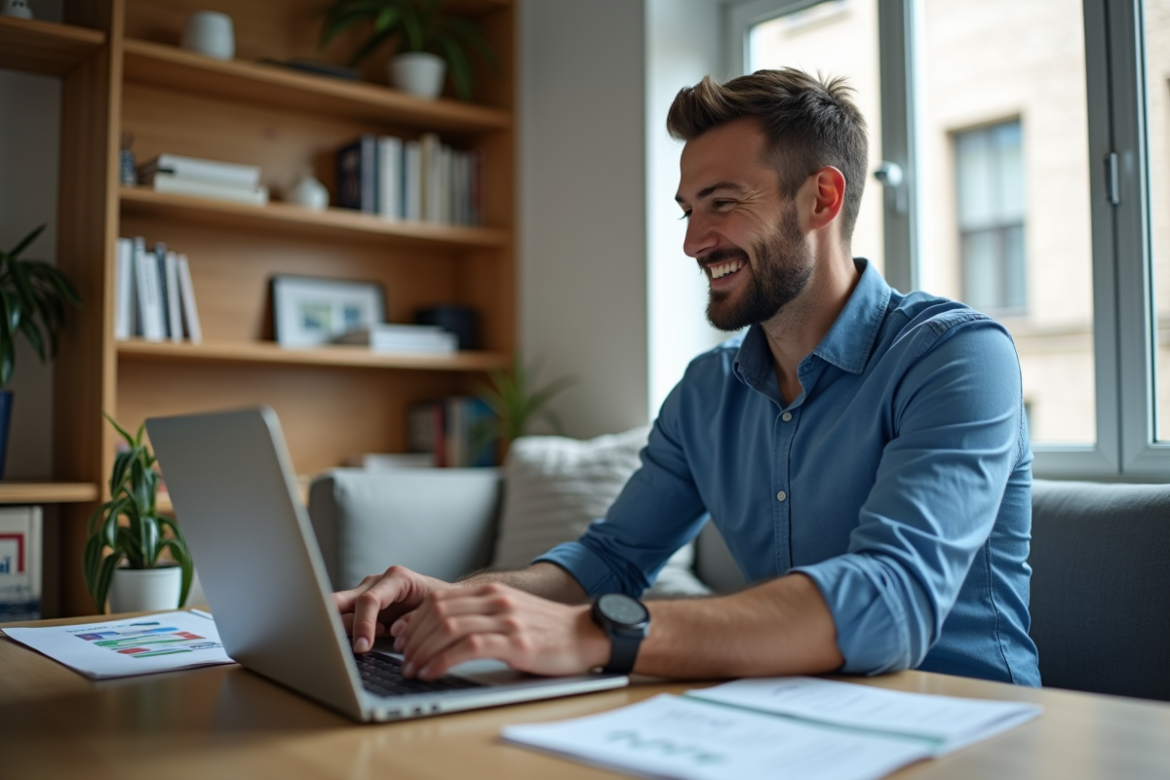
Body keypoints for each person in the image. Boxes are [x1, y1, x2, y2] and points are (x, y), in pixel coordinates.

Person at [334, 68, 1041, 687]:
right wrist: (456, 603)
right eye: (688, 208)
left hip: (972, 725)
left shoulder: (956, 357)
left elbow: (889, 603)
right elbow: (607, 561)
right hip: (793, 719)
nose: (692, 240)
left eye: (723, 202)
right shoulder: (708, 391)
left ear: (822, 200)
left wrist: (597, 633)